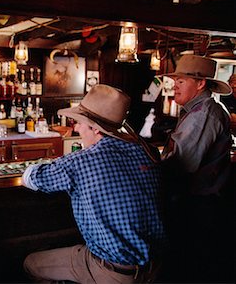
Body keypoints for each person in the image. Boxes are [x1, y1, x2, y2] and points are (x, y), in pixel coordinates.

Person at [21, 84, 166, 283]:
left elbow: (30, 177)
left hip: (113, 272)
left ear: (95, 128)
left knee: (31, 263)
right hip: (156, 267)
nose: (77, 127)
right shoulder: (146, 151)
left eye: (80, 122)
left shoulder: (82, 161)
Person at [160, 55, 234, 282]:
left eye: (181, 80)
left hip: (198, 205)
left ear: (200, 84)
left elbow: (183, 164)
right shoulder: (199, 110)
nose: (175, 85)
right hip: (199, 203)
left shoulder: (204, 113)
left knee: (192, 266)